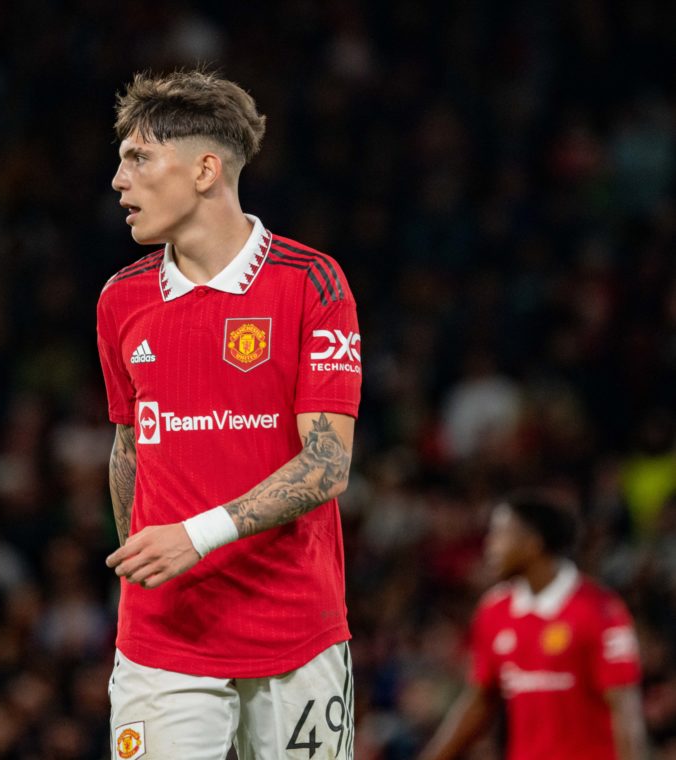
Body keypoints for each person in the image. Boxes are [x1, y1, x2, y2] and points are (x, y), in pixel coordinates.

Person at [96, 69, 362, 759]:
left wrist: (195, 535)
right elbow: (128, 446)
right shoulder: (120, 300)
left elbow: (328, 465)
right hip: (164, 638)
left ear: (206, 169)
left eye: (138, 159)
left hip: (294, 630)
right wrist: (143, 565)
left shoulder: (312, 283)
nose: (119, 182)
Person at [419, 493, 647, 760]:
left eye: (500, 535)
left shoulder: (599, 610)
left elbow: (625, 711)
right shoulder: (494, 610)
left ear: (532, 543)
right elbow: (480, 702)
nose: (490, 546)